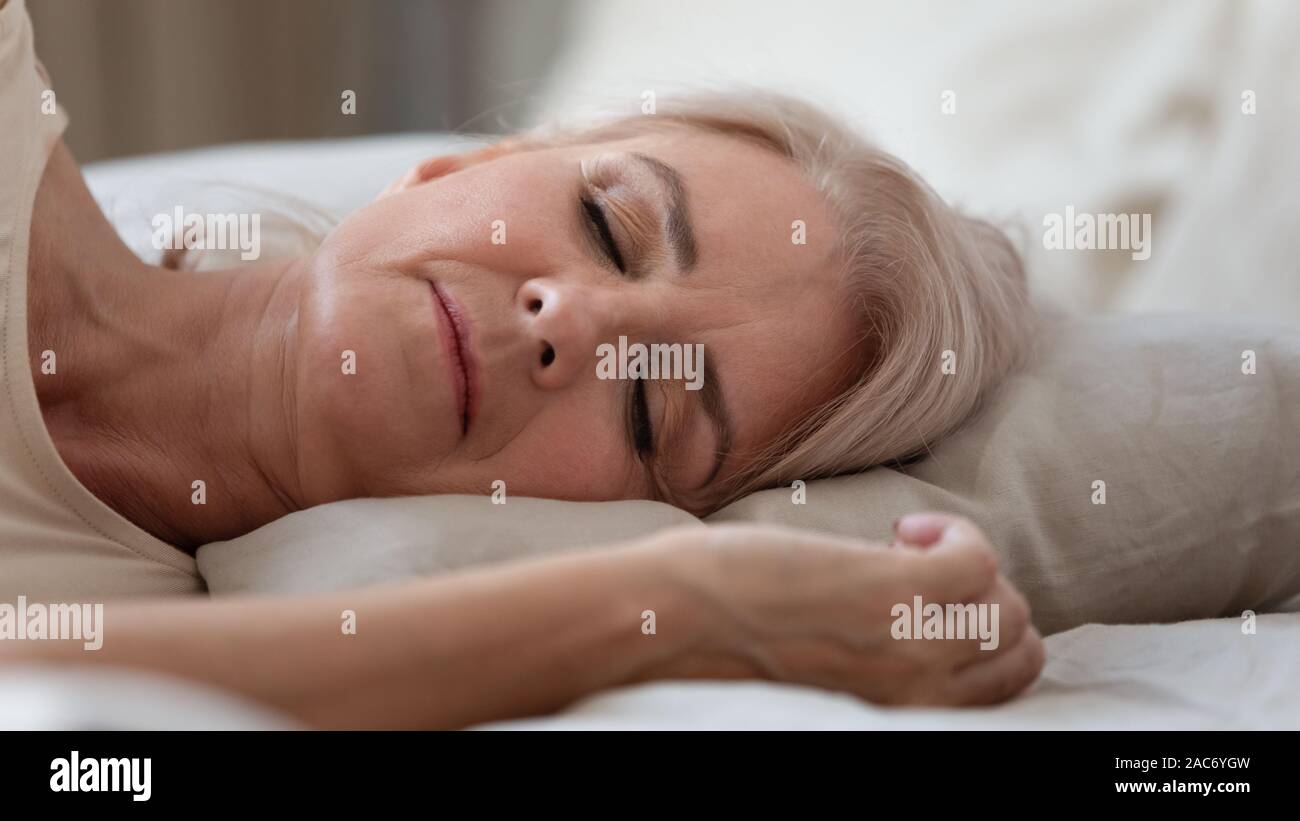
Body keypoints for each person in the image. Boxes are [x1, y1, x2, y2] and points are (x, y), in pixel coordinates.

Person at [0, 0, 1042, 727]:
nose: (573, 321)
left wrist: (705, 606)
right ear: (464, 165)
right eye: (609, 223)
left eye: (647, 411)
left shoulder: (168, 674)